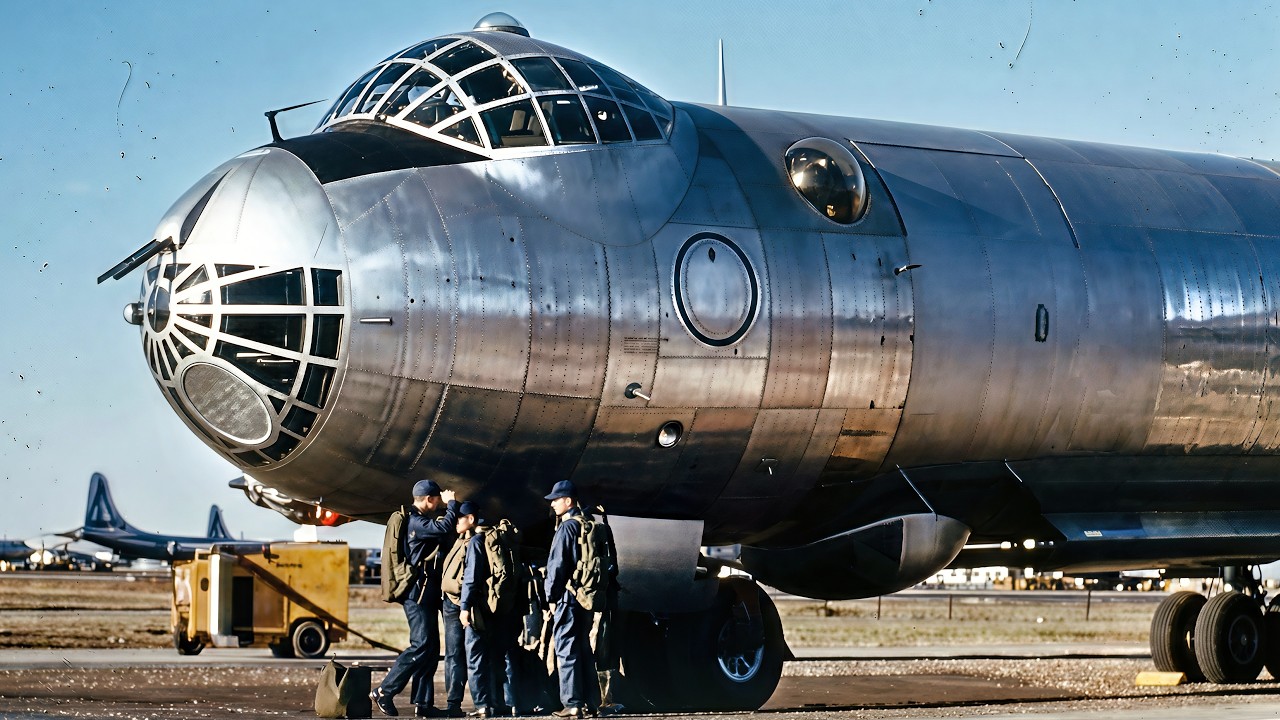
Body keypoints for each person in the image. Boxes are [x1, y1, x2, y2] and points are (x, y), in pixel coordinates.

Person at [373, 479, 460, 718]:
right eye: (437, 500)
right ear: (430, 499)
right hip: (417, 595)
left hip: (424, 594)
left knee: (430, 649)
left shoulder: (419, 521)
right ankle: (384, 691)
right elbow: (444, 529)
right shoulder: (417, 522)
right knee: (421, 645)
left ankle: (423, 704)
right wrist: (452, 505)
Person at [543, 480, 599, 718]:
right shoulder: (587, 523)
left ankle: (572, 703)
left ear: (569, 501)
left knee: (566, 650)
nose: (553, 504)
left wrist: (551, 597)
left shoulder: (566, 528)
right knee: (584, 648)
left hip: (567, 597)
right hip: (585, 597)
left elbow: (556, 567)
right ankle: (592, 703)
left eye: (556, 499)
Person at [440, 502, 475, 718]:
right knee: (452, 655)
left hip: (460, 604)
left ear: (470, 519)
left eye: (460, 518)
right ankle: (453, 702)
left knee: (466, 654)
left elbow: (470, 578)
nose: (456, 521)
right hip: (451, 603)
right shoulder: (458, 541)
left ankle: (474, 701)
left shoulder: (474, 543)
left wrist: (463, 604)